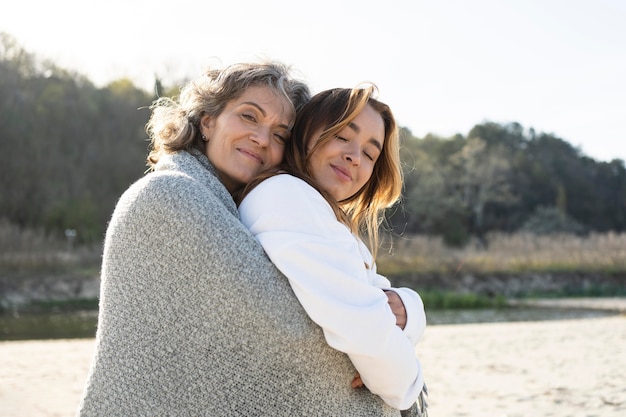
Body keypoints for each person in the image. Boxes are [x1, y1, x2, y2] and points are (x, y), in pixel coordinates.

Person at [75, 61, 417, 416]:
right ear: (208, 119)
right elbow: (298, 332)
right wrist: (403, 373)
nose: (262, 138)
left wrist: (408, 310)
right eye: (249, 117)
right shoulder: (171, 196)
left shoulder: (245, 212)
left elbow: (362, 299)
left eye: (281, 134)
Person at [238, 85, 428, 414]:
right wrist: (411, 378)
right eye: (342, 135)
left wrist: (410, 310)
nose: (355, 156)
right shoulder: (286, 195)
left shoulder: (317, 212)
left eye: (370, 154)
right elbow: (371, 337)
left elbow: (375, 299)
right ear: (308, 129)